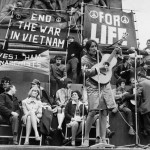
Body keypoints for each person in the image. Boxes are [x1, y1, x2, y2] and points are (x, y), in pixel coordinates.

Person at [81, 39, 117, 147]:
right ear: (87, 49)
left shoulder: (100, 55)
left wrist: (115, 52)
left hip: (104, 83)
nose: (94, 48)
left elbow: (109, 64)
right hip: (92, 84)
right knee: (92, 111)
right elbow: (85, 72)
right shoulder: (84, 58)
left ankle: (103, 139)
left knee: (104, 112)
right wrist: (98, 69)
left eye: (95, 46)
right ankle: (86, 138)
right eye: (91, 46)